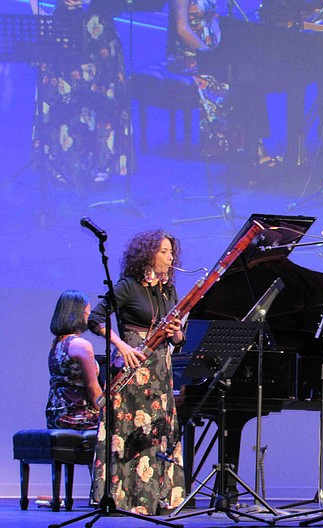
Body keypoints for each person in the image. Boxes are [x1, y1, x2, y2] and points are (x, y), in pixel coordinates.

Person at [88, 230, 186, 515]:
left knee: (159, 431)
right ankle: (125, 498)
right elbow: (96, 319)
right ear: (148, 254)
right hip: (133, 369)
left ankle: (156, 498)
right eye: (164, 252)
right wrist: (120, 346)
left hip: (159, 370)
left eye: (171, 253)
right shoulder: (128, 286)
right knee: (130, 431)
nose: (170, 258)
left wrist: (177, 333)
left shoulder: (168, 291)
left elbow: (177, 340)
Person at [29, 0, 133, 184]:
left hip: (98, 31)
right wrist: (36, 10)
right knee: (63, 95)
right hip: (64, 27)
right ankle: (62, 163)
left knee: (101, 95)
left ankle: (101, 164)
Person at [167, 0, 272, 163]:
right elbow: (182, 29)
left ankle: (248, 143)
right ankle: (221, 144)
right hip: (190, 55)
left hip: (211, 49)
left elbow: (214, 19)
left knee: (247, 76)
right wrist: (207, 53)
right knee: (224, 85)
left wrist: (223, 49)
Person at [46, 290, 103, 430]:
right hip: (77, 415)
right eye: (87, 312)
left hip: (55, 413)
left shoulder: (56, 344)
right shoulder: (80, 345)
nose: (89, 317)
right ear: (78, 314)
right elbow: (92, 388)